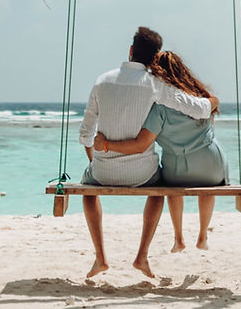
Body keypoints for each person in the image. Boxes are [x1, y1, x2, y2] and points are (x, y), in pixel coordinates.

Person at [78, 28, 219, 279]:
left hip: (102, 171)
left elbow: (85, 134)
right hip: (143, 174)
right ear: (155, 59)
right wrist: (212, 102)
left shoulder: (102, 81)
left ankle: (100, 258)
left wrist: (98, 158)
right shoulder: (156, 85)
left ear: (130, 51)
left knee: (88, 191)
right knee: (158, 191)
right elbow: (199, 110)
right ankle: (142, 256)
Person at [94, 51, 228, 254]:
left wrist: (106, 145)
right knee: (207, 188)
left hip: (177, 170)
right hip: (212, 165)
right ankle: (202, 236)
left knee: (171, 187)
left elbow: (140, 144)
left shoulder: (158, 107)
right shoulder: (199, 100)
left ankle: (179, 238)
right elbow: (213, 102)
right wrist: (213, 101)